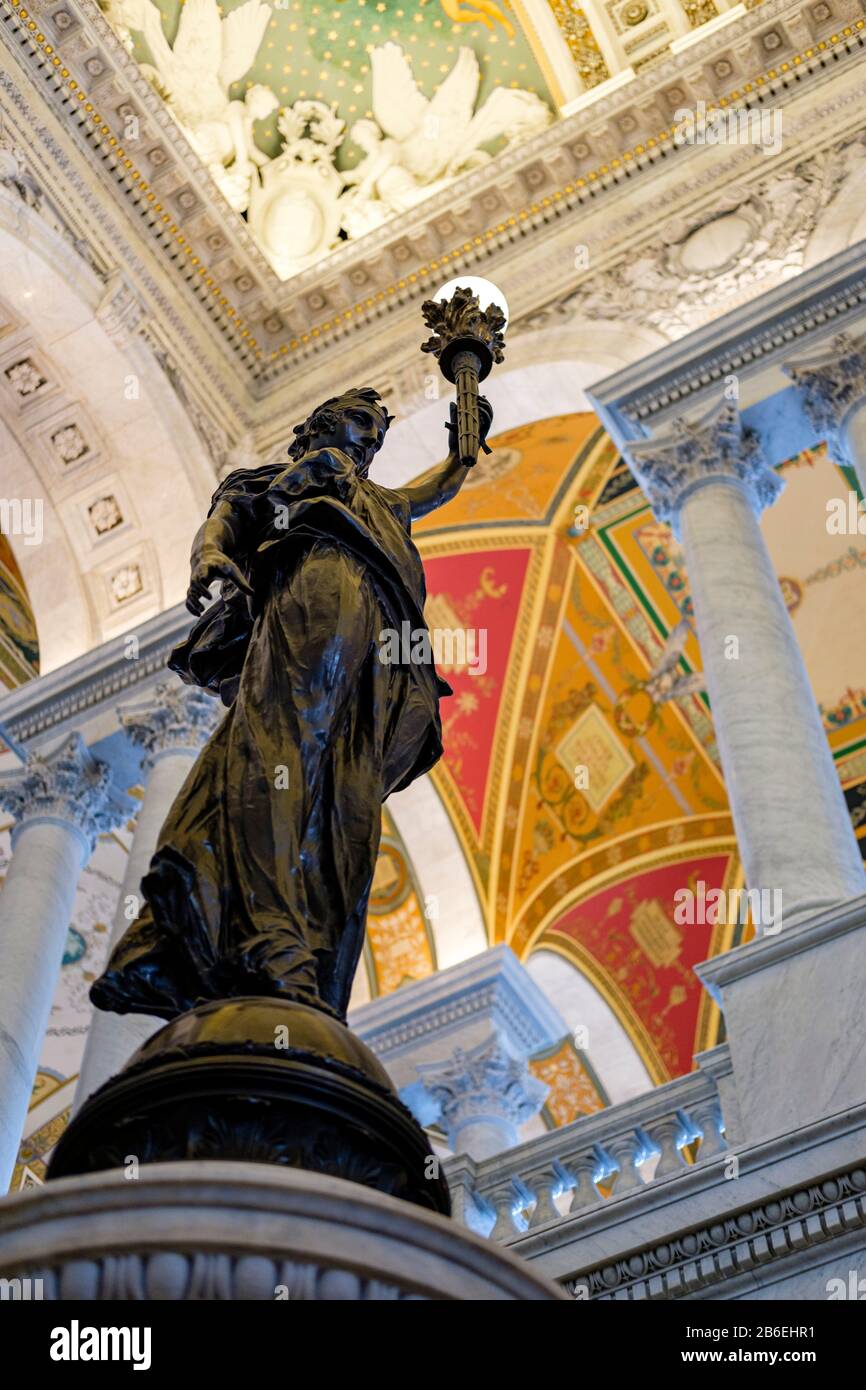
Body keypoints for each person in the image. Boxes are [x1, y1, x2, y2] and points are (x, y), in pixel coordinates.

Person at [90, 387, 492, 1022]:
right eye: (361, 421)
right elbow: (221, 526)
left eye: (378, 433)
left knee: (350, 790)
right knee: (289, 741)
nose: (371, 438)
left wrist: (465, 439)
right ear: (317, 423)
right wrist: (211, 560)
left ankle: (308, 948)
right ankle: (262, 933)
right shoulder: (278, 480)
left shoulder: (380, 502)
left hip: (390, 639)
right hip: (318, 589)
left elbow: (436, 489)